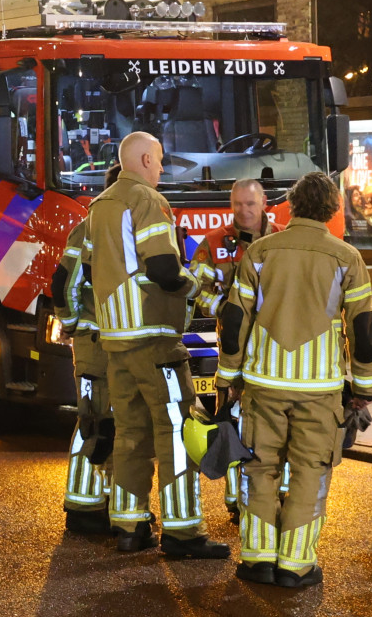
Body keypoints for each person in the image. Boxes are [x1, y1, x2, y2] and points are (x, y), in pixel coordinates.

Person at [216, 171, 372, 588]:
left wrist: (229, 377)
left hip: (263, 384)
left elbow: (235, 319)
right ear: (332, 209)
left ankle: (257, 559)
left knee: (259, 468)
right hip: (319, 390)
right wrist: (363, 389)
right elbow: (364, 329)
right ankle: (295, 564)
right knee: (311, 471)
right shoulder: (347, 258)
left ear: (291, 206)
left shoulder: (260, 252)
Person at [85, 132, 230, 558]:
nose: (163, 169)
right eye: (161, 161)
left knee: (130, 432)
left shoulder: (99, 205)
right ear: (146, 159)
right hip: (153, 338)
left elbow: (95, 270)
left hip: (116, 340)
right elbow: (165, 269)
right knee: (177, 429)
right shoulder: (147, 200)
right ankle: (184, 532)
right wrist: (193, 282)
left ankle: (130, 526)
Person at [190, 178, 275, 519]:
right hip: (232, 349)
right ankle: (235, 501)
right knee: (232, 421)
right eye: (237, 204)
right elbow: (196, 288)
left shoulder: (281, 241)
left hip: (272, 349)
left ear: (264, 203)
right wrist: (224, 308)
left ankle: (269, 494)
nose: (243, 211)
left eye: (250, 204)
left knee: (270, 423)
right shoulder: (213, 243)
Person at [53, 167, 123, 536]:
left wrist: (71, 322)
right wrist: (72, 322)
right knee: (93, 420)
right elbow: (63, 282)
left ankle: (107, 503)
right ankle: (83, 507)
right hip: (99, 342)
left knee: (111, 422)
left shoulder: (102, 226)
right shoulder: (93, 228)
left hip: (106, 341)